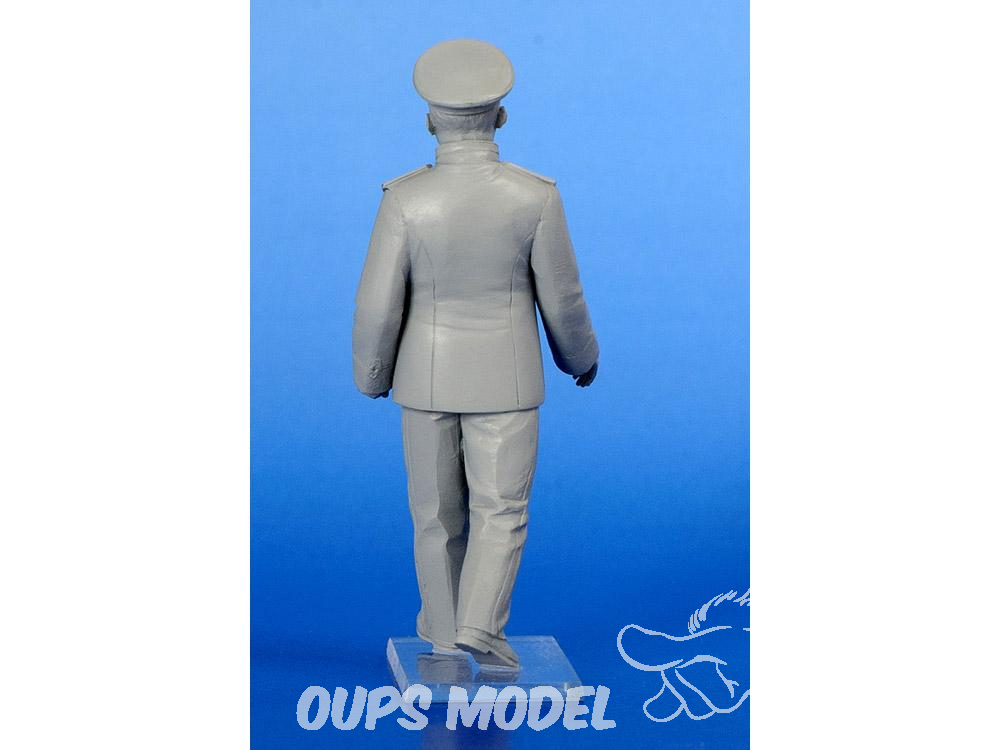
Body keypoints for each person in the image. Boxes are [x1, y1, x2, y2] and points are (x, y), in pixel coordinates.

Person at [352, 39, 598, 670]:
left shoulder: (405, 199)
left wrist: (372, 374)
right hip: (507, 380)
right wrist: (579, 359)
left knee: (435, 513)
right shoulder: (534, 196)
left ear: (430, 122)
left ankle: (442, 632)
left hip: (424, 379)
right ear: (501, 117)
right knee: (501, 509)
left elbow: (379, 303)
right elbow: (563, 297)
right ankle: (480, 629)